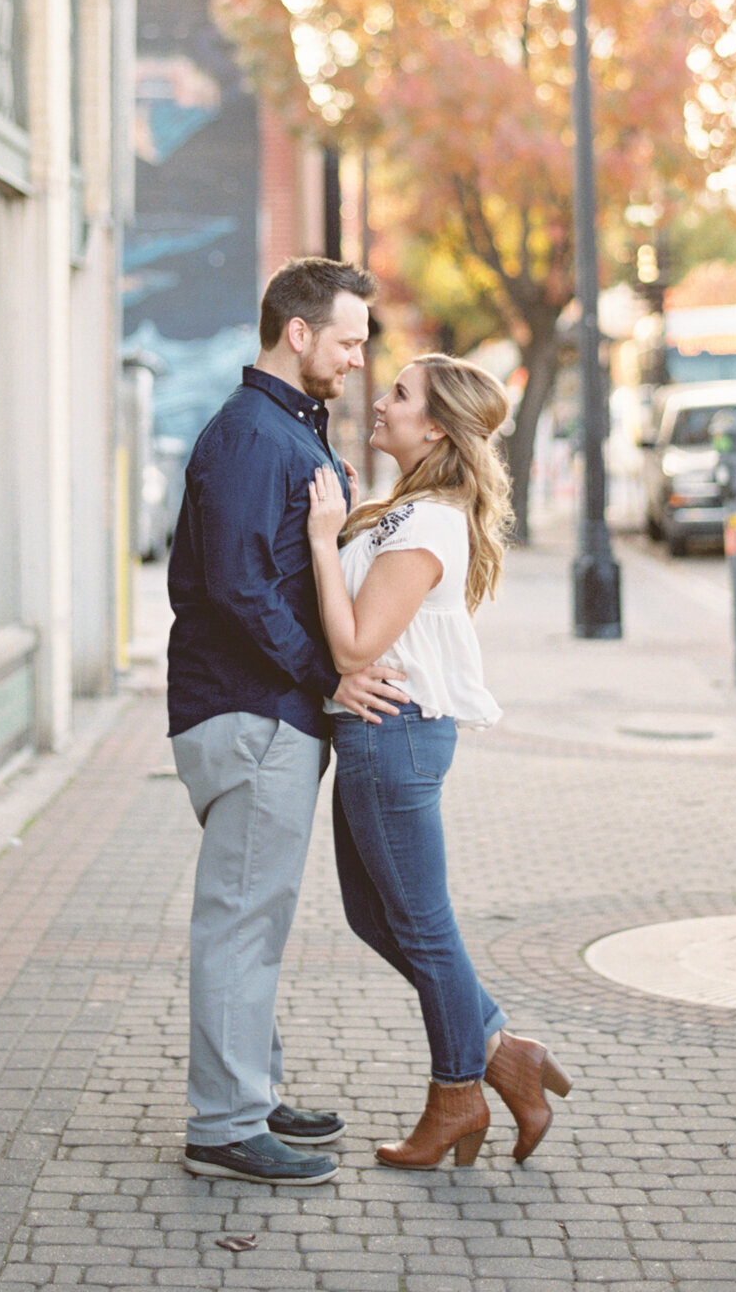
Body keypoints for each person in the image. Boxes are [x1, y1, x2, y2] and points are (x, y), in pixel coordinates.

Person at [167, 257, 410, 1186]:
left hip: (266, 712)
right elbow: (232, 586)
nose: (357, 359)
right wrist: (328, 678)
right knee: (238, 921)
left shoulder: (281, 433)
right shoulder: (251, 438)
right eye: (348, 340)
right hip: (251, 713)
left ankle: (252, 1094)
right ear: (297, 332)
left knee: (254, 919)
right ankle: (224, 1127)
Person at [306, 354, 572, 1169]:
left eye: (398, 394)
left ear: (434, 427)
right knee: (375, 916)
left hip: (396, 737)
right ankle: (503, 1054)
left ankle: (458, 1094)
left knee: (422, 926)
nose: (379, 402)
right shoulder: (403, 510)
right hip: (379, 736)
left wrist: (323, 537)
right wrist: (348, 521)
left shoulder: (427, 522)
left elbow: (353, 641)